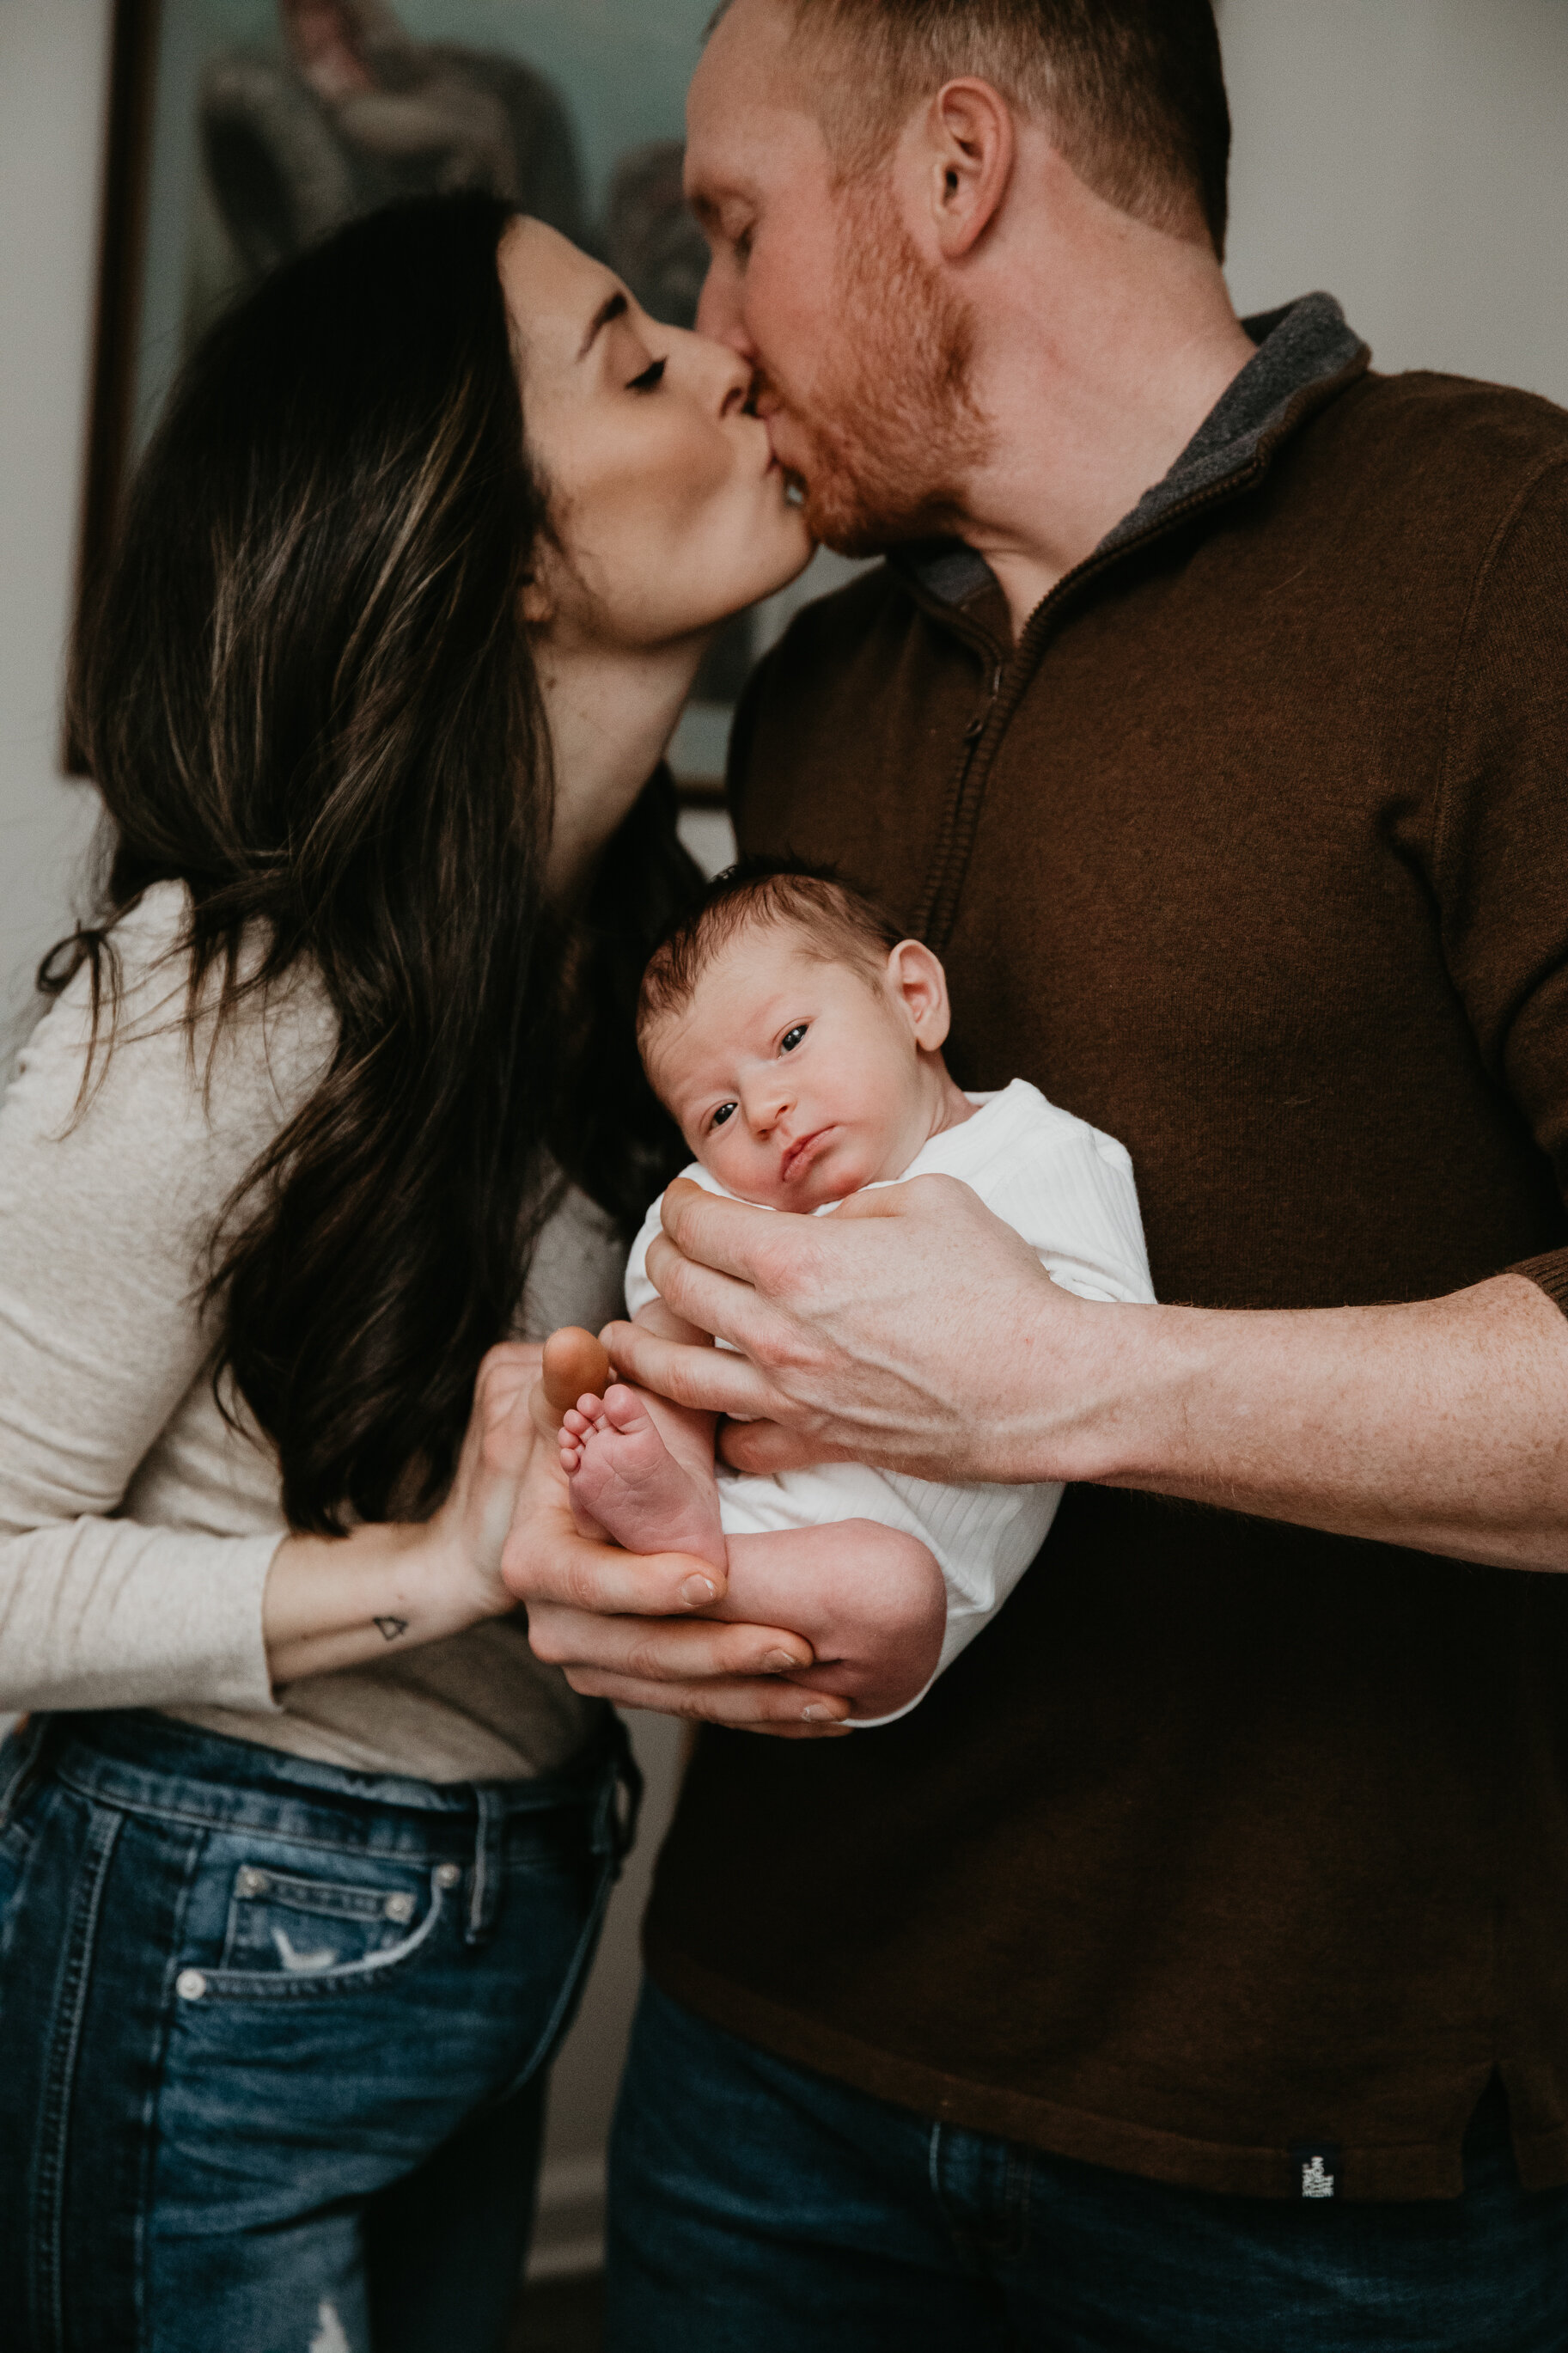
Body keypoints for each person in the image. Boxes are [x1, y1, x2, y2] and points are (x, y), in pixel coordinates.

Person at [497, 3, 1568, 2346]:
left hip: (1311, 2161)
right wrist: (590, 1444)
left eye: (739, 228)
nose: (717, 324)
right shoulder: (811, 694)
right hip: (767, 2064)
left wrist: (1071, 1382)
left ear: (956, 171)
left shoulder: (1508, 558)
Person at [0, 191, 817, 2351]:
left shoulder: (641, 977)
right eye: (637, 360)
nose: (729, 362)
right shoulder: (221, 1001)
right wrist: (429, 1574)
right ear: (512, 553)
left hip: (499, 1927)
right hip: (212, 1936)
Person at [557, 861, 1153, 1722]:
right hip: (740, 1512)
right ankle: (670, 1502)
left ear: (912, 997)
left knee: (887, 1584)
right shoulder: (746, 1198)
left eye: (791, 1039)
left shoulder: (1039, 1154)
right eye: (715, 1115)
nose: (762, 1108)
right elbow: (666, 1246)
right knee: (668, 1328)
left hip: (889, 1596)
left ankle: (683, 1553)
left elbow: (1114, 1357)